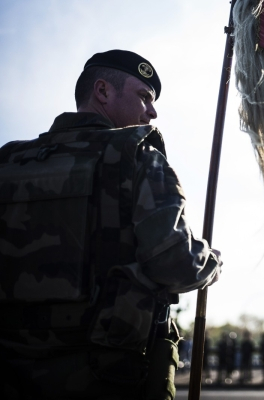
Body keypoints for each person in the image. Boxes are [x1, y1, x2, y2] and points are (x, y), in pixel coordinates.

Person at [0, 50, 222, 400]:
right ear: (103, 92)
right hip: (106, 376)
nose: (152, 111)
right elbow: (174, 262)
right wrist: (212, 260)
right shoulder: (136, 154)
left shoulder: (9, 159)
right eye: (144, 97)